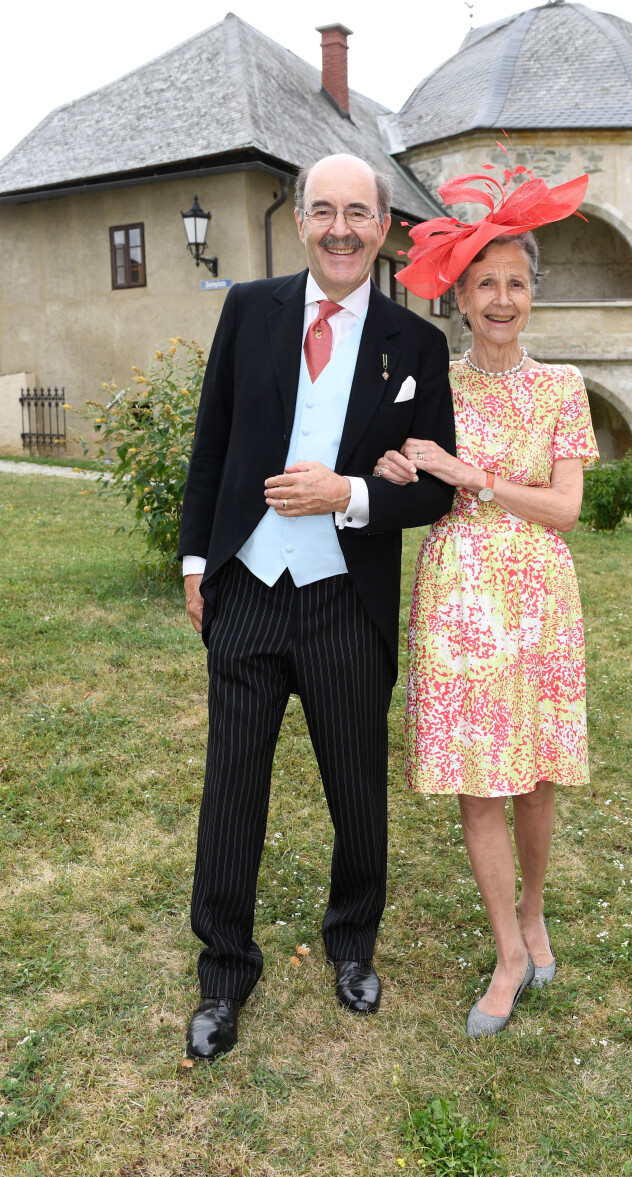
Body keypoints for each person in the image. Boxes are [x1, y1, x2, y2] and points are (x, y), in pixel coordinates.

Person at [178, 153, 456, 1059]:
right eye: (324, 210)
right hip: (250, 589)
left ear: (385, 228)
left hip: (346, 598)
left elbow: (436, 489)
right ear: (301, 220)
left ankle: (353, 942)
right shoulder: (248, 310)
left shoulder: (415, 347)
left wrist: (351, 494)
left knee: (356, 790)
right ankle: (223, 971)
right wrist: (196, 560)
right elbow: (211, 439)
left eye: (359, 213)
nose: (342, 228)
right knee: (232, 792)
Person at [376, 161, 598, 1037]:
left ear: (532, 294)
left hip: (540, 595)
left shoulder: (562, 388)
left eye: (515, 282)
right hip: (460, 600)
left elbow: (568, 509)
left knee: (537, 777)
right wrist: (398, 468)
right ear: (460, 298)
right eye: (484, 284)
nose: (500, 299)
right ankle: (509, 948)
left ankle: (535, 910)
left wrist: (480, 476)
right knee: (480, 784)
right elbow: (403, 474)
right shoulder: (433, 379)